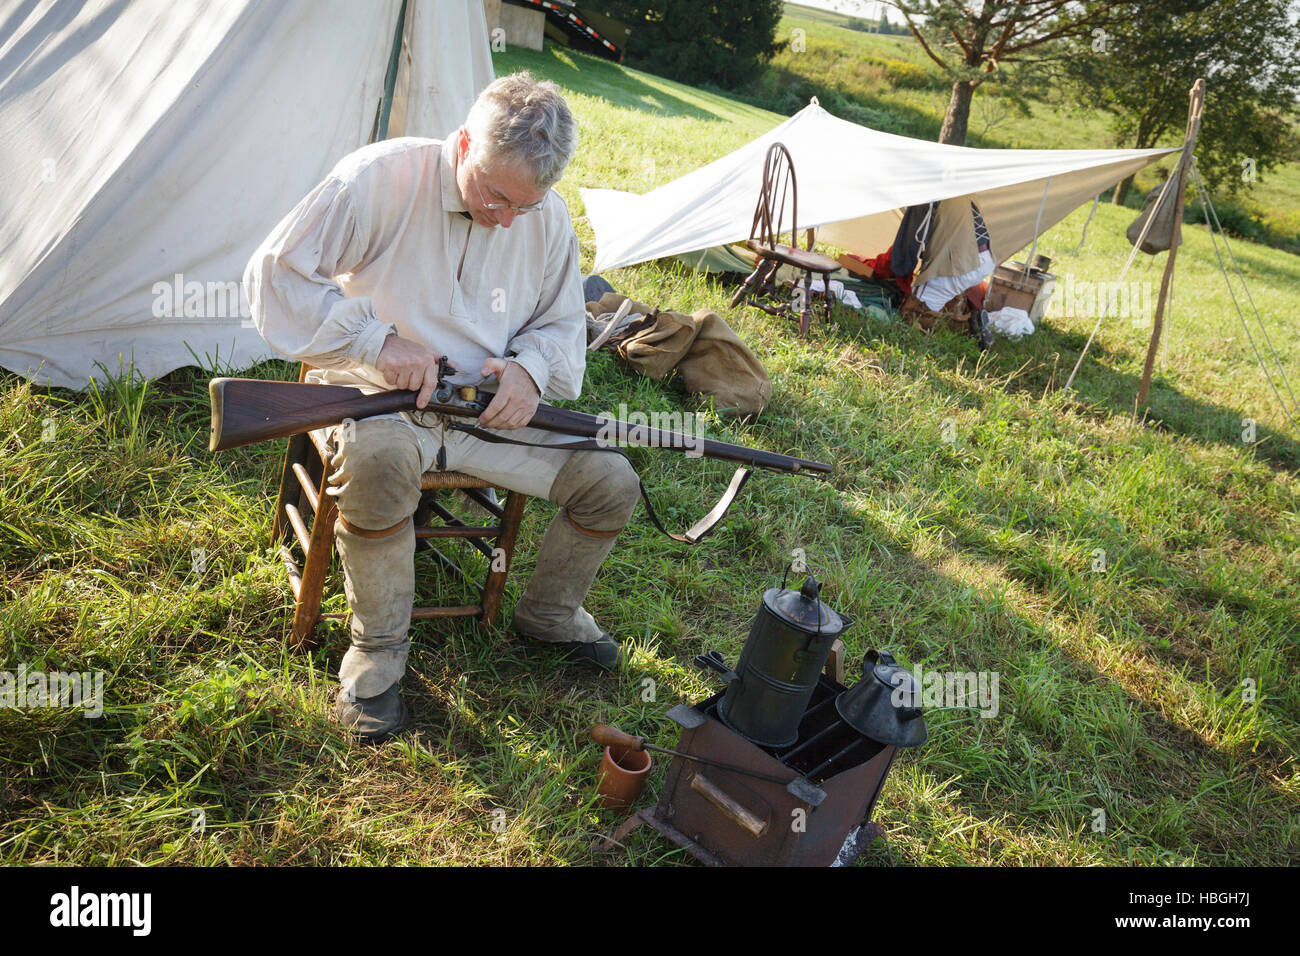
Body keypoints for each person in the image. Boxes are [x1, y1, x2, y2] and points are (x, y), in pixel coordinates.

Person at [243, 72, 639, 742]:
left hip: (484, 415)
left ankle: (548, 616)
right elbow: (274, 277)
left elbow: (561, 326)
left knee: (612, 483)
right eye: (496, 195)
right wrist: (378, 339)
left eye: (526, 204)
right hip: (377, 394)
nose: (507, 218)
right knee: (378, 466)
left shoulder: (541, 216)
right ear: (462, 145)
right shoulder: (376, 179)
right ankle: (376, 657)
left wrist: (529, 370)